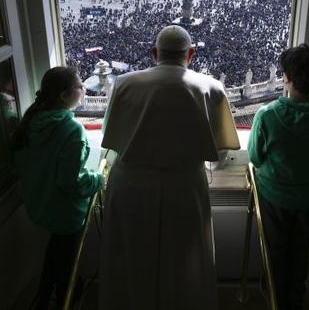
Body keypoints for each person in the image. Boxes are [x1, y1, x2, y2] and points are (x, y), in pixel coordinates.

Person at [99, 25, 240, 310]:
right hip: (183, 186)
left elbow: (111, 141)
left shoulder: (124, 83)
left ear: (154, 53)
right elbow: (221, 155)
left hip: (130, 186)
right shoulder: (210, 87)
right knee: (184, 262)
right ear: (191, 54)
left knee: (131, 257)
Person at [248, 44, 309, 310]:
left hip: (274, 196)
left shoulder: (267, 116)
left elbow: (254, 157)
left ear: (286, 78)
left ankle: (274, 300)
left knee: (275, 252)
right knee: (301, 253)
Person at [11, 67, 104, 310]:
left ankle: (43, 300)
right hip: (65, 213)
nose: (84, 90)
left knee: (55, 256)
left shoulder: (31, 120)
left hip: (40, 205)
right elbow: (70, 182)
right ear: (64, 96)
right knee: (69, 273)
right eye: (80, 86)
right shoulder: (71, 130)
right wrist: (98, 179)